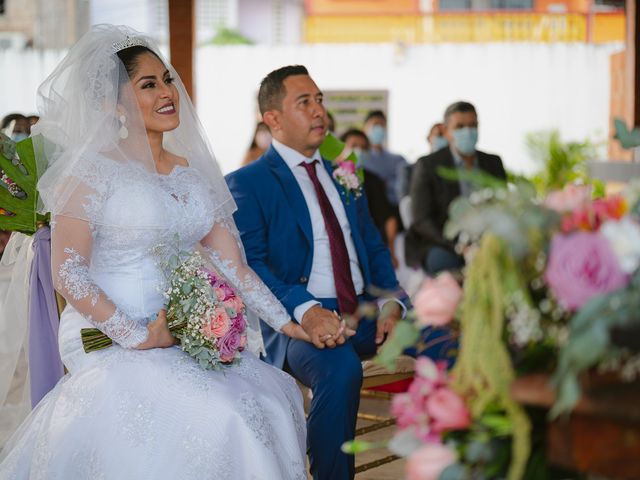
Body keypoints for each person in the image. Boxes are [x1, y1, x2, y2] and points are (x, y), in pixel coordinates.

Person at [0, 25, 309, 480]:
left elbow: (233, 267)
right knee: (219, 414)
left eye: (168, 79)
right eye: (149, 84)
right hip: (111, 332)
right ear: (111, 104)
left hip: (186, 332)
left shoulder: (192, 175)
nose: (168, 92)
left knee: (264, 401)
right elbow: (68, 274)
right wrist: (139, 335)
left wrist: (291, 324)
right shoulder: (89, 171)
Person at [226, 65, 407, 480]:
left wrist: (392, 301)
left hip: (365, 311)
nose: (318, 111)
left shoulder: (346, 173)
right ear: (272, 119)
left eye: (320, 100)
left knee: (453, 340)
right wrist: (306, 310)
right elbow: (252, 266)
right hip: (298, 320)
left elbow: (376, 249)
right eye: (303, 102)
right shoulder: (246, 183)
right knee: (340, 368)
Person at [406, 101, 506, 274]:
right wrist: (460, 247)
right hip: (442, 243)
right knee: (446, 265)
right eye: (459, 126)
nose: (467, 132)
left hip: (486, 241)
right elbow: (421, 220)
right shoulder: (428, 165)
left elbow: (503, 207)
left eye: (472, 125)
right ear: (446, 131)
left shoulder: (493, 163)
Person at [340, 128, 399, 267]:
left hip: (369, 247)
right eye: (354, 146)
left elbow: (388, 218)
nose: (358, 151)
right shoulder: (329, 177)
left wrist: (391, 251)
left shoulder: (374, 181)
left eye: (363, 148)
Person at [361, 109, 407, 207]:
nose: (379, 129)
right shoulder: (359, 158)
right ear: (365, 128)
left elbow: (403, 189)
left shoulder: (398, 160)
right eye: (375, 125)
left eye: (382, 125)